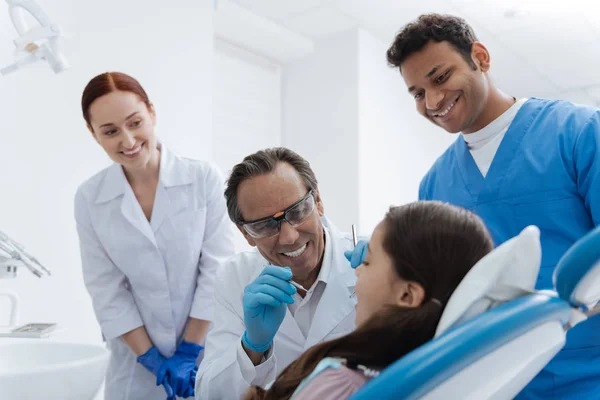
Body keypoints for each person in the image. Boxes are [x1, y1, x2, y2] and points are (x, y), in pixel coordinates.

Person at [385, 13, 600, 399]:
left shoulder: (579, 132)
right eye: (417, 93)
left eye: (440, 77)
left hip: (588, 376)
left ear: (480, 57)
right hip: (494, 385)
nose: (433, 101)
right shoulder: (433, 185)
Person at [74, 72, 236, 400]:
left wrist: (189, 350)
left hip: (206, 350)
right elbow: (106, 288)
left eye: (135, 122)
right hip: (134, 364)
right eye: (110, 131)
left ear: (152, 112)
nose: (128, 140)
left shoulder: (202, 178)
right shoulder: (90, 198)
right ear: (94, 135)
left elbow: (216, 270)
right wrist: (150, 358)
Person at [242, 201, 494, 400]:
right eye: (263, 225)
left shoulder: (340, 385)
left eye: (369, 260)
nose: (358, 269)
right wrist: (254, 346)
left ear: (407, 295)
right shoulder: (440, 376)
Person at [195, 147, 358, 399]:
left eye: (297, 211)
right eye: (264, 225)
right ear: (246, 234)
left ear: (318, 202)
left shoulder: (372, 262)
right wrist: (252, 347)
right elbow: (209, 394)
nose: (289, 236)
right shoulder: (234, 278)